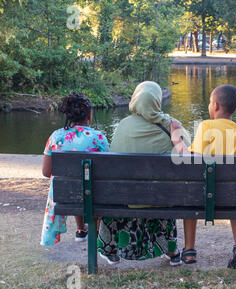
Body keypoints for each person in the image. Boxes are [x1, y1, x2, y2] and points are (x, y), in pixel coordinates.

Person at [96, 81, 190, 266]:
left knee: (129, 190)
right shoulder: (170, 125)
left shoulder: (122, 125)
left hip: (124, 197)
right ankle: (171, 250)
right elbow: (186, 157)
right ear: (157, 101)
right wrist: (175, 135)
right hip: (160, 199)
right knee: (161, 190)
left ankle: (110, 249)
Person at [171, 85, 236, 269]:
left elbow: (193, 160)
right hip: (233, 197)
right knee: (235, 192)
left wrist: (177, 139)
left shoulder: (206, 126)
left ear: (215, 106)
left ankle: (189, 251)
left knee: (191, 192)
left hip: (202, 196)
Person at [41, 92, 110, 246]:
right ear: (89, 114)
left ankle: (81, 229)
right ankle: (96, 231)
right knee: (89, 184)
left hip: (66, 195)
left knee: (73, 183)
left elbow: (46, 172)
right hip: (95, 194)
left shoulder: (55, 137)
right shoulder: (98, 137)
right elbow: (107, 172)